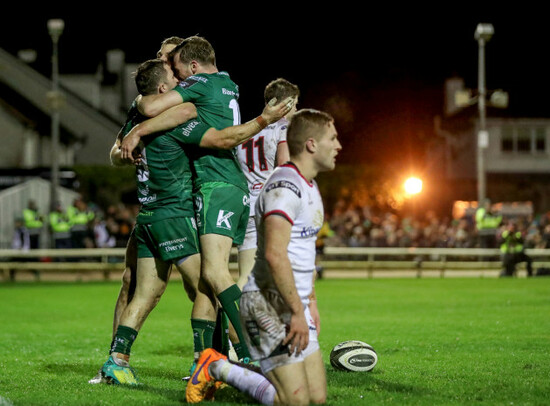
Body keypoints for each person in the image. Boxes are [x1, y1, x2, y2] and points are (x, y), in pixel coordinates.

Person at [93, 58, 294, 385]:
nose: (183, 84)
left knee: (145, 294)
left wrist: (136, 130)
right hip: (174, 215)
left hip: (147, 219)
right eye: (176, 78)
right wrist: (263, 119)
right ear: (162, 89)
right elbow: (220, 138)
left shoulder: (139, 115)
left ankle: (116, 360)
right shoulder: (177, 120)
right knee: (211, 282)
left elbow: (121, 146)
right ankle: (236, 355)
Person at [186, 109, 341, 405]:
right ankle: (216, 366)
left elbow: (303, 254)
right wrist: (297, 311)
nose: (338, 146)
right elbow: (274, 254)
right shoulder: (285, 186)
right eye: (332, 139)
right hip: (267, 305)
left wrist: (310, 304)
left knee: (316, 398)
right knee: (293, 402)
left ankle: (216, 365)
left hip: (292, 301)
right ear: (311, 144)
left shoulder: (309, 184)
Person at [235, 78, 299, 288]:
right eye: (295, 103)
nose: (296, 109)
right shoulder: (283, 129)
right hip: (270, 207)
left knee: (245, 275)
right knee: (285, 272)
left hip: (247, 206)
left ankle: (226, 318)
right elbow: (284, 167)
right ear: (285, 103)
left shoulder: (246, 130)